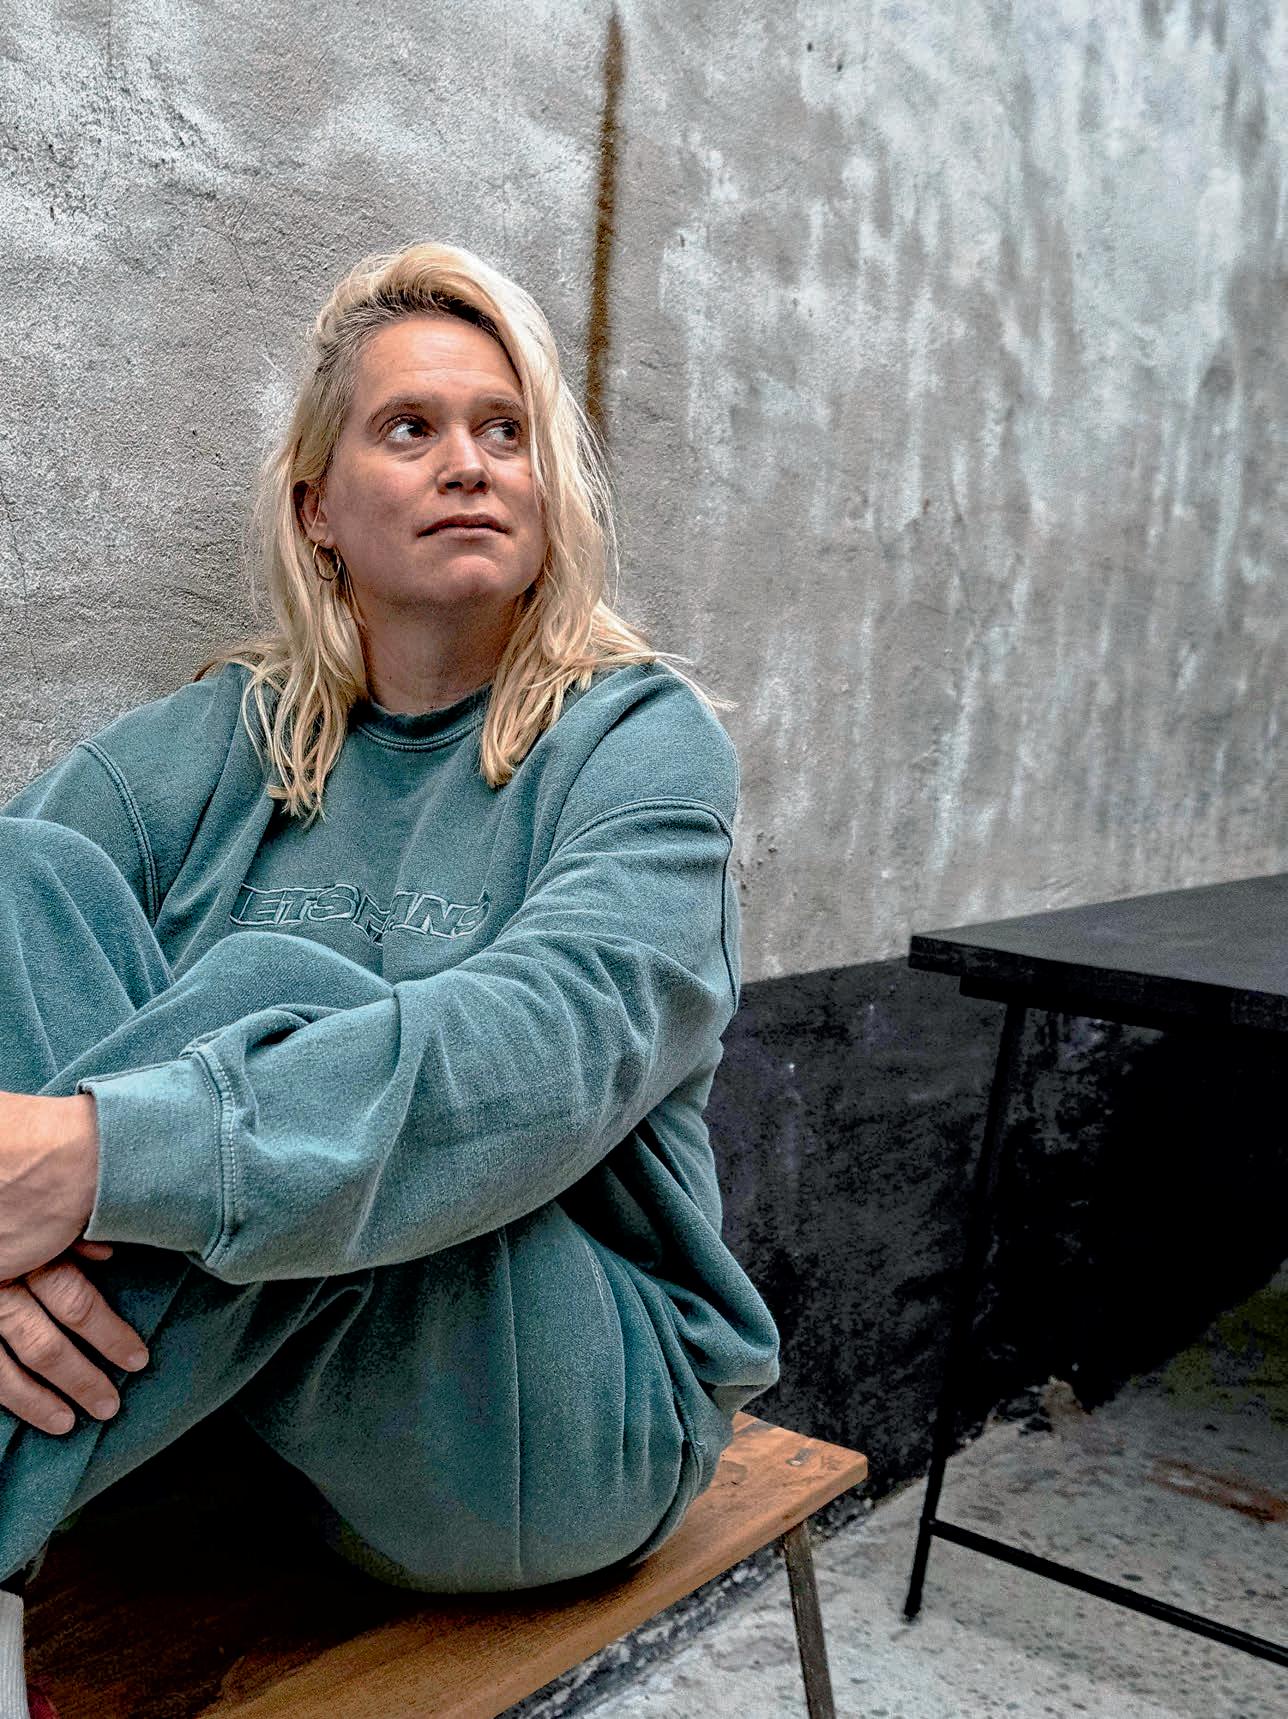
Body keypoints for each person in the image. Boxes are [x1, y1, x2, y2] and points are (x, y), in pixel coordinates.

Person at [0, 240, 780, 1709]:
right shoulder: (231, 737)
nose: (468, 464)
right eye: (410, 428)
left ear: (550, 489)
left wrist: (96, 1159)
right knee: (20, 877)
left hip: (556, 1422)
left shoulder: (639, 743)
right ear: (318, 507)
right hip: (243, 1424)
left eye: (507, 430)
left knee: (278, 1000)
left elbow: (554, 1045)